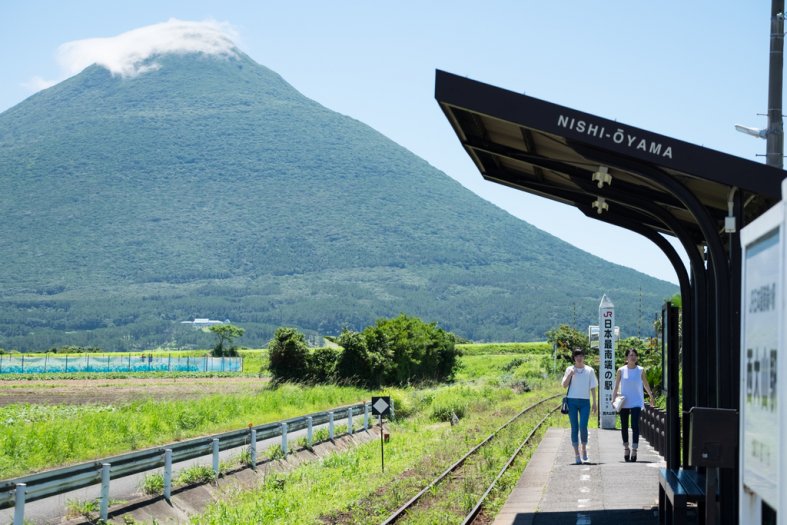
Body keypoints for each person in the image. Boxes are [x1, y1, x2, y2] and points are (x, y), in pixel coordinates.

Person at [611, 348, 655, 462]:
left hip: (636, 401)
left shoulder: (640, 370)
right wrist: (613, 399)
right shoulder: (621, 370)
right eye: (630, 355)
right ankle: (626, 448)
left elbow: (645, 384)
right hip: (624, 401)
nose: (633, 357)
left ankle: (634, 449)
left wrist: (650, 395)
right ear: (626, 357)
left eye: (635, 355)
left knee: (635, 425)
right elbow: (616, 386)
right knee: (624, 425)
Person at [561, 348, 598, 464]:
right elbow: (564, 385)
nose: (579, 358)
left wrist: (595, 402)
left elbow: (593, 387)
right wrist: (570, 375)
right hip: (572, 401)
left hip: (585, 402)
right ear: (574, 357)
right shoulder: (569, 369)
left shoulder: (589, 370)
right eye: (577, 356)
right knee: (574, 427)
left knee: (583, 426)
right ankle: (576, 454)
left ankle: (584, 449)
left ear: (583, 357)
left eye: (581, 355)